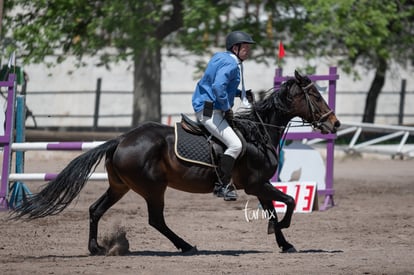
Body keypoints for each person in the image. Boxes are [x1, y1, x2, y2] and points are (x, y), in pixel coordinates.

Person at [191, 30, 255, 201]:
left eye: (249, 48)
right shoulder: (232, 64)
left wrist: (240, 93)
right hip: (211, 111)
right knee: (235, 145)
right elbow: (219, 87)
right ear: (235, 48)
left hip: (206, 105)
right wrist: (227, 108)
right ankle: (222, 185)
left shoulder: (221, 57)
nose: (248, 51)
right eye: (245, 48)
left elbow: (219, 85)